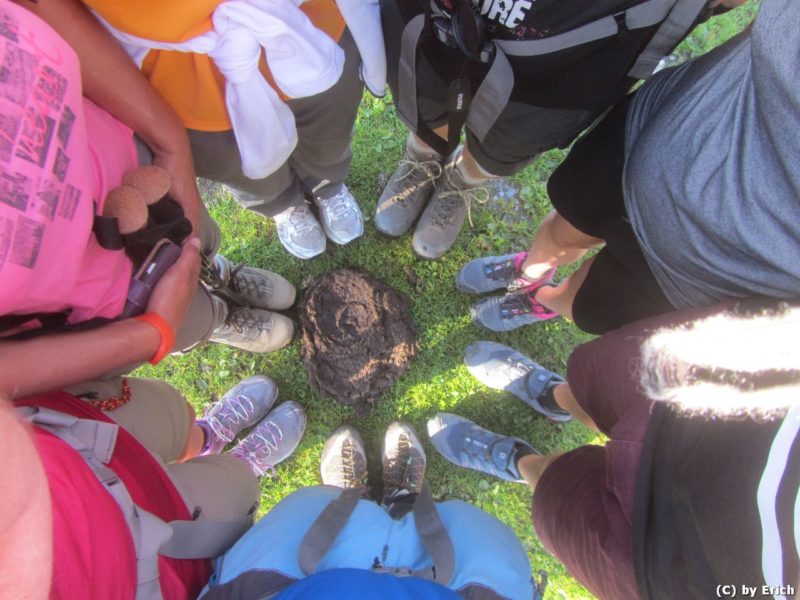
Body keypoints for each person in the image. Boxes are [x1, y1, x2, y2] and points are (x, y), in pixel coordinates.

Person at [0, 0, 297, 400]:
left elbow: (39, 8)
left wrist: (170, 142)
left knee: (199, 240)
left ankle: (220, 273)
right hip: (103, 303)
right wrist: (150, 332)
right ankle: (217, 318)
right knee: (187, 317)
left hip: (137, 171)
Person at [456, 0, 798, 335]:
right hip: (658, 135)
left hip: (729, 264)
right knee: (567, 226)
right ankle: (530, 272)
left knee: (587, 303)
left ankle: (545, 300)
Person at [427, 301, 800, 598]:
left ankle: (521, 461)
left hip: (679, 573)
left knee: (559, 489)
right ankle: (556, 398)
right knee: (599, 388)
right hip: (756, 392)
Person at [375, 0, 746, 260]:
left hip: (582, 47)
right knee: (431, 90)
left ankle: (460, 181)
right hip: (447, 14)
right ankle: (422, 160)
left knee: (512, 135)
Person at [79, 0, 381, 260]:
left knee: (328, 134)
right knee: (238, 166)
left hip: (304, 27)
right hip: (177, 74)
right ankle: (284, 206)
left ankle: (328, 187)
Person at [1, 373, 306, 598]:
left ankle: (208, 436)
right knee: (236, 485)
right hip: (146, 557)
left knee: (172, 417)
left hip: (61, 426)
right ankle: (244, 461)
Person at [199, 422, 544, 599]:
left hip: (282, 586)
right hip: (463, 589)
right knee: (473, 532)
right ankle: (402, 502)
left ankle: (349, 500)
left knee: (309, 509)